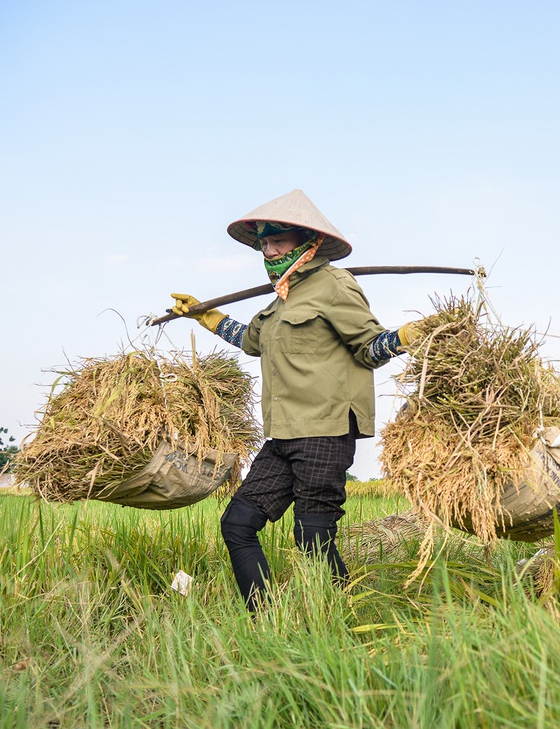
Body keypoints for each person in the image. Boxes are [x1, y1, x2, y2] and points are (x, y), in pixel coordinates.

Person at [170, 188, 427, 610]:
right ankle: (266, 617)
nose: (268, 248)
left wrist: (404, 337)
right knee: (238, 524)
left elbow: (368, 348)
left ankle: (338, 621)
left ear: (308, 243)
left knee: (313, 538)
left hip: (326, 429)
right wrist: (206, 315)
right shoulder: (280, 299)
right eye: (263, 242)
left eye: (277, 239)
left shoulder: (335, 285)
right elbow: (251, 340)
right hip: (284, 434)